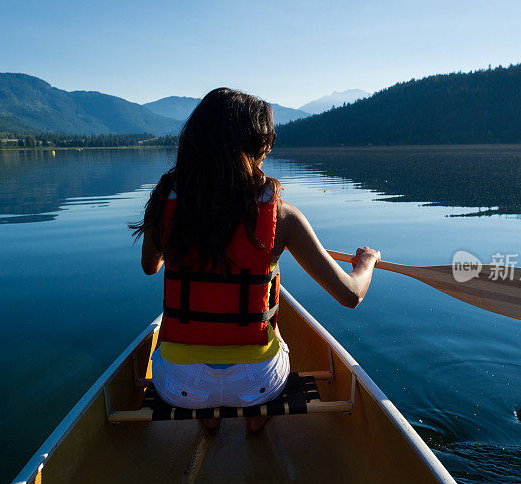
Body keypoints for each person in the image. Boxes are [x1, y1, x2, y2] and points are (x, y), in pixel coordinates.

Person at [132, 88, 380, 432]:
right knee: (275, 335)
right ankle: (255, 424)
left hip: (179, 386)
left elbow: (150, 266)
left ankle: (209, 422)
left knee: (195, 374)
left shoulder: (166, 201)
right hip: (256, 384)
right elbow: (351, 295)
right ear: (257, 145)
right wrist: (365, 262)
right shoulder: (283, 216)